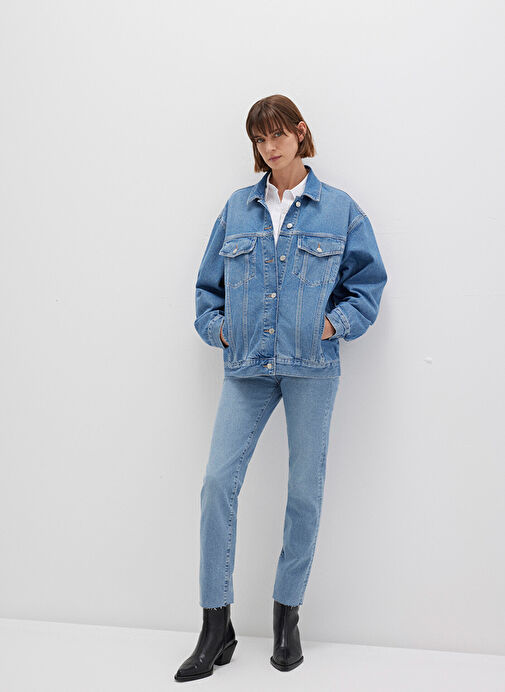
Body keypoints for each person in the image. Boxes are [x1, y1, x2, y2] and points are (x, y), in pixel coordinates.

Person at [174, 94, 388, 682]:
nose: (269, 147)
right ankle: (215, 625)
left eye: (277, 135)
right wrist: (218, 329)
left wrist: (332, 324)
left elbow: (368, 282)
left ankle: (286, 617)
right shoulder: (237, 209)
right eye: (259, 138)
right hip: (247, 365)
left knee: (303, 494)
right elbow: (207, 287)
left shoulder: (339, 209)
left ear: (299, 133)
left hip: (311, 366)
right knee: (217, 484)